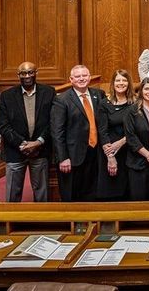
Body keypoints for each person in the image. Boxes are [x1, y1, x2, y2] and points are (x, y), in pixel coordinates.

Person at [0, 61, 53, 202]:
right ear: (18, 75)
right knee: (12, 194)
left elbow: (53, 122)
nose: (27, 76)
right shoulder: (6, 96)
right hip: (16, 151)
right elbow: (3, 126)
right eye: (23, 73)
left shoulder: (49, 92)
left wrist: (38, 142)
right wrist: (23, 144)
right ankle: (12, 222)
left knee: (42, 193)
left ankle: (41, 221)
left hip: (40, 150)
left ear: (36, 73)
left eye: (30, 72)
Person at [51, 65, 106, 201]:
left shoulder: (98, 95)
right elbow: (57, 131)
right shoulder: (62, 99)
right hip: (72, 156)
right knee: (71, 194)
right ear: (71, 79)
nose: (82, 79)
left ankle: (90, 220)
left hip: (95, 152)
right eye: (78, 76)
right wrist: (63, 157)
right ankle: (73, 221)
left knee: (92, 192)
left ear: (89, 77)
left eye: (84, 75)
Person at [96, 69, 134, 201]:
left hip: (129, 150)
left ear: (129, 83)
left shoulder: (134, 104)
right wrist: (110, 156)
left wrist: (122, 141)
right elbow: (102, 130)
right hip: (109, 150)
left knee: (128, 191)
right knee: (109, 190)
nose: (121, 83)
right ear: (113, 83)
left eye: (124, 80)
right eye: (118, 80)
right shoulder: (104, 104)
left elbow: (137, 129)